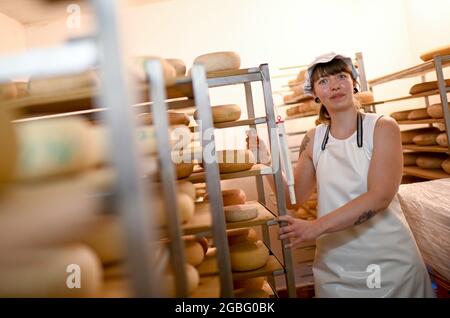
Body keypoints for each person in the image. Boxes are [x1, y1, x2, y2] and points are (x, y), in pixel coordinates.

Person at [246, 52, 435, 297]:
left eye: (340, 76)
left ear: (354, 83)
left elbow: (380, 196)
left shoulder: (381, 127)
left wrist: (315, 227)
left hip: (391, 264)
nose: (333, 85)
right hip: (336, 267)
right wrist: (268, 163)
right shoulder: (314, 139)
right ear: (314, 94)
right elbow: (294, 198)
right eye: (323, 81)